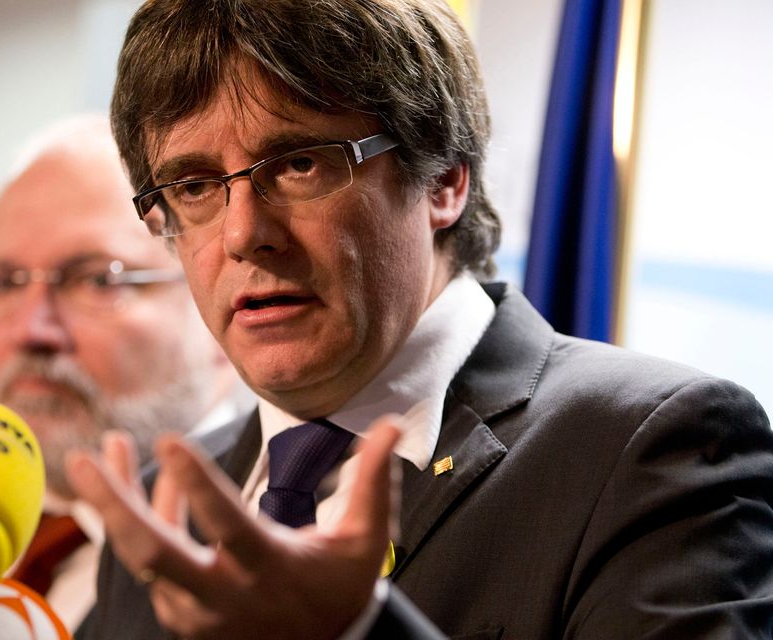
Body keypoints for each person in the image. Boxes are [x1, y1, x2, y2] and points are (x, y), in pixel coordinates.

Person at [66, 1, 773, 638]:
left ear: (443, 180)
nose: (243, 234)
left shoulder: (651, 449)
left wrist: (358, 631)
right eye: (193, 186)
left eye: (299, 164)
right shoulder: (164, 513)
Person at [0, 114, 247, 630]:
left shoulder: (279, 544)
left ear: (214, 296)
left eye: (99, 280)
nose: (31, 331)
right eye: (6, 282)